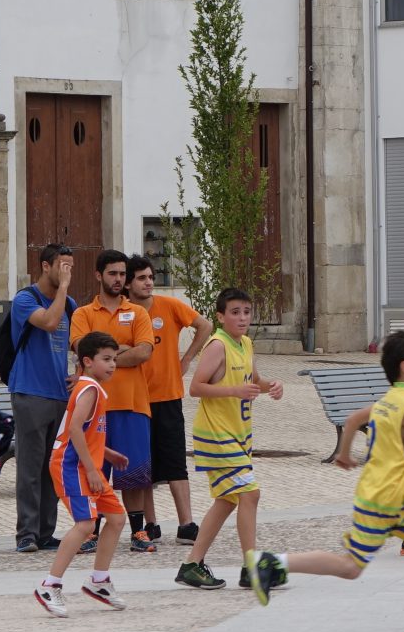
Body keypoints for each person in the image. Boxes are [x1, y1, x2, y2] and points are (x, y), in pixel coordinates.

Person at [248, 331, 404, 632]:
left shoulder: (391, 396)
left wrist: (344, 454)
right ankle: (273, 563)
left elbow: (352, 419)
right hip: (384, 499)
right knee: (351, 567)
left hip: (388, 495)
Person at [176, 287, 283, 590]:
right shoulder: (217, 345)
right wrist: (233, 391)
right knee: (250, 494)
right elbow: (195, 387)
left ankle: (192, 564)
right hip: (216, 436)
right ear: (221, 316)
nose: (242, 318)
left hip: (237, 436)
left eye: (246, 312)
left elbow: (254, 382)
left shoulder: (245, 344)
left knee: (226, 501)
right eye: (235, 312)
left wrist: (272, 386)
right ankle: (251, 567)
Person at [35, 332, 131, 617]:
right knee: (86, 524)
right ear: (87, 362)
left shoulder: (94, 387)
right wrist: (91, 467)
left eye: (114, 359)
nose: (112, 364)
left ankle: (99, 581)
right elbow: (75, 429)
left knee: (115, 518)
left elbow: (85, 430)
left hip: (87, 463)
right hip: (70, 465)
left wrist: (106, 453)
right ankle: (49, 585)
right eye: (106, 359)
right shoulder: (88, 388)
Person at [69, 249, 156, 552]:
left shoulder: (139, 312)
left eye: (122, 274)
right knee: (93, 468)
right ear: (98, 275)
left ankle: (138, 531)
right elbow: (82, 350)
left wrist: (104, 355)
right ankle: (91, 530)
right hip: (95, 407)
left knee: (134, 473)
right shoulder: (82, 314)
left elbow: (144, 351)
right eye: (113, 274)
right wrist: (122, 349)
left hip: (133, 403)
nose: (119, 279)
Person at [127, 253, 211, 546]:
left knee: (176, 463)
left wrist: (187, 358)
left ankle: (186, 524)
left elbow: (205, 325)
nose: (149, 282)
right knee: (144, 466)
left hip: (168, 397)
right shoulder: (124, 313)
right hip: (136, 401)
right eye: (141, 278)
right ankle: (150, 524)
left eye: (151, 277)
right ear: (128, 284)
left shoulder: (170, 306)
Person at [9, 243, 78, 553]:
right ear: (46, 266)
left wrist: (79, 374)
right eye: (63, 266)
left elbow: (82, 346)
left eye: (71, 268)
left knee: (53, 467)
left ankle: (46, 532)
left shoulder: (71, 305)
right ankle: (26, 533)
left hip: (59, 394)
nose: (68, 273)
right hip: (29, 391)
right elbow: (50, 322)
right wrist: (62, 288)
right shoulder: (25, 299)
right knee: (30, 465)